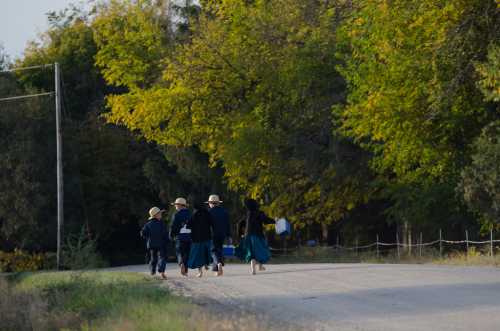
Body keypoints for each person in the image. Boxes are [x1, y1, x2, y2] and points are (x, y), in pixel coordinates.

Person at [236, 198, 275, 275]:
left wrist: (240, 234)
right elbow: (266, 220)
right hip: (257, 235)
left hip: (248, 236)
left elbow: (239, 224)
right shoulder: (259, 213)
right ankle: (260, 266)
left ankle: (253, 270)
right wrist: (274, 221)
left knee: (252, 253)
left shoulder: (248, 214)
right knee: (261, 250)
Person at [186, 202, 215, 277]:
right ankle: (206, 264)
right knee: (206, 252)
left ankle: (200, 272)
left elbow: (188, 225)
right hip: (207, 237)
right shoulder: (207, 213)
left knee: (198, 255)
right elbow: (212, 223)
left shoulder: (194, 214)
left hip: (197, 239)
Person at [141, 206, 169, 279]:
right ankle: (162, 271)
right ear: (156, 215)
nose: (161, 215)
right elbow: (165, 233)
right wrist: (167, 240)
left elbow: (143, 233)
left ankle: (152, 272)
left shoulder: (148, 224)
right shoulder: (162, 224)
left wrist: (148, 237)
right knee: (162, 257)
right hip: (161, 244)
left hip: (151, 244)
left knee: (153, 258)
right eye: (160, 214)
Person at [206, 194, 230, 276]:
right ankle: (216, 271)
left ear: (210, 203)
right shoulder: (224, 211)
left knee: (213, 251)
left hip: (212, 234)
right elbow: (228, 224)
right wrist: (228, 235)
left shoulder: (208, 212)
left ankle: (219, 263)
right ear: (218, 203)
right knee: (219, 250)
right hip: (222, 234)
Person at [170, 197, 192, 276]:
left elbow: (173, 226)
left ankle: (181, 263)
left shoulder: (176, 214)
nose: (175, 206)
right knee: (187, 253)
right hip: (189, 237)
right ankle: (185, 270)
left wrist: (171, 235)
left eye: (176, 205)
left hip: (180, 236)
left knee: (179, 252)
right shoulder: (190, 214)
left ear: (180, 206)